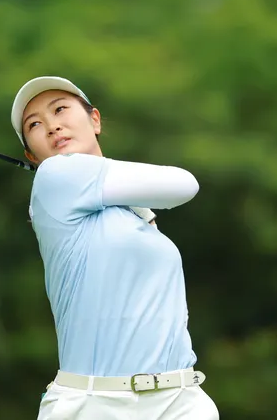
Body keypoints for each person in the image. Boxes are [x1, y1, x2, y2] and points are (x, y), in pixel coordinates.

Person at [11, 76, 219, 420]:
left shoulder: (134, 212)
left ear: (95, 119)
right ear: (31, 156)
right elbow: (185, 184)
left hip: (181, 399)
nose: (52, 126)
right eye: (34, 124)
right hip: (96, 404)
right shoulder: (54, 177)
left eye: (60, 109)